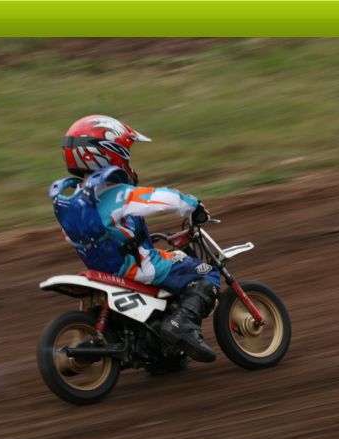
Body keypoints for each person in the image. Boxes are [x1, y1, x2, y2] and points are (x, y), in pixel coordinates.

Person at [49, 115, 220, 362]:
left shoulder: (71, 201)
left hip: (104, 270)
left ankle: (160, 352)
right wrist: (193, 205)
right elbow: (159, 199)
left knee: (171, 258)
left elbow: (72, 236)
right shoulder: (115, 193)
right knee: (206, 273)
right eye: (126, 152)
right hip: (139, 269)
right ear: (109, 153)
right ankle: (180, 324)